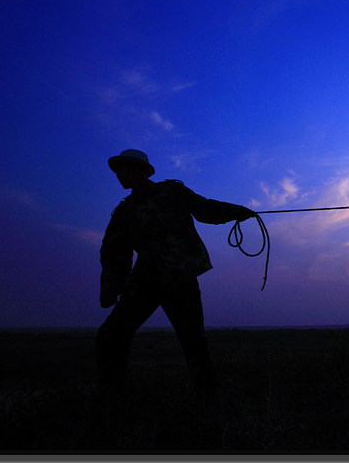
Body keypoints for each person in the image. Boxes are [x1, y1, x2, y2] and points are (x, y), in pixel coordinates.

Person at [97, 149, 257, 398]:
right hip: (145, 281)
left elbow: (205, 209)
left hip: (180, 278)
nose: (122, 175)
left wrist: (238, 211)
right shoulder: (123, 212)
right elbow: (114, 254)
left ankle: (207, 401)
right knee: (111, 335)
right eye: (119, 171)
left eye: (127, 169)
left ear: (142, 172)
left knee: (193, 341)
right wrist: (110, 288)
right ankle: (112, 397)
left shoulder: (172, 192)